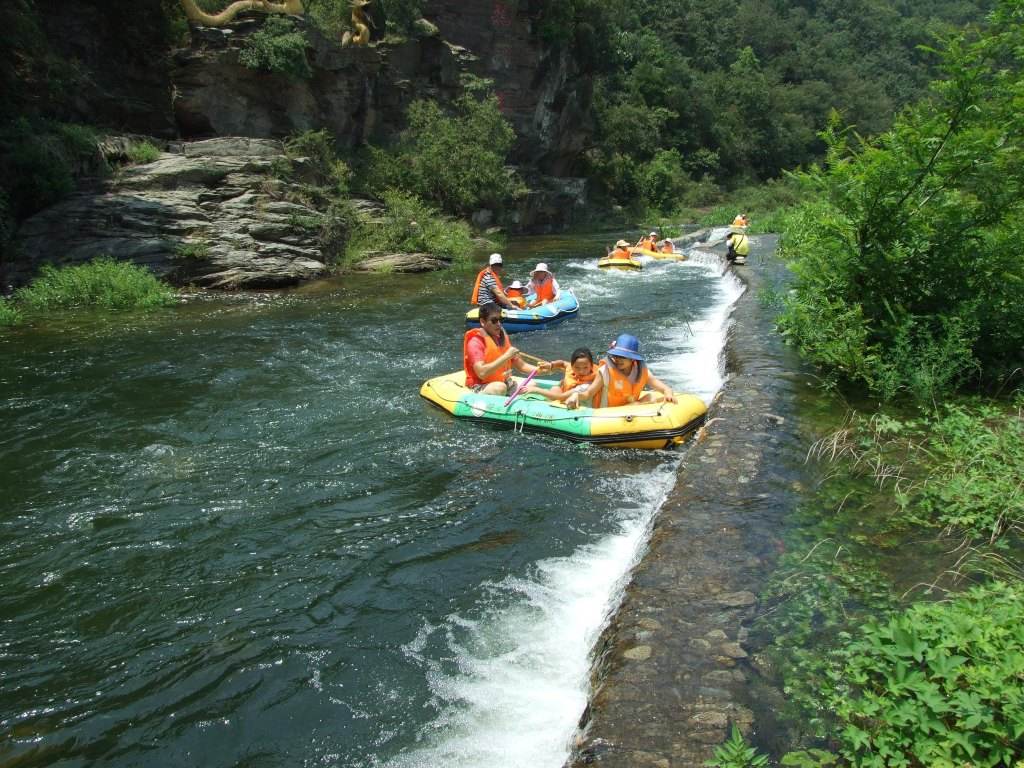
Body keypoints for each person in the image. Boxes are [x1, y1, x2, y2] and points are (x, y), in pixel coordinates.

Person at [565, 333, 677, 409]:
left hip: (630, 410)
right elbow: (588, 393)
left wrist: (668, 392)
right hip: (607, 414)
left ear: (632, 358)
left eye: (623, 357)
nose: (618, 360)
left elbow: (663, 388)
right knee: (638, 404)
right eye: (616, 356)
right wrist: (576, 395)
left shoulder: (641, 371)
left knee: (651, 397)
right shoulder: (605, 371)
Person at [463, 302, 549, 395]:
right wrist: (507, 356)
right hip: (482, 385)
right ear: (482, 322)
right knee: (500, 388)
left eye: (501, 319)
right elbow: (482, 373)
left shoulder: (501, 338)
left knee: (532, 384)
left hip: (505, 382)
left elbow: (522, 366)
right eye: (494, 320)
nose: (499, 324)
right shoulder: (475, 342)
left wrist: (543, 370)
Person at [525, 347, 601, 402]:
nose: (581, 371)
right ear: (572, 366)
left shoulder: (593, 380)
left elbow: (561, 397)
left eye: (585, 368)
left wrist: (536, 390)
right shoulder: (570, 367)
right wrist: (551, 365)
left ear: (591, 366)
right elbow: (562, 363)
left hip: (572, 398)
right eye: (577, 368)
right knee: (555, 388)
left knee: (554, 391)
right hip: (564, 392)